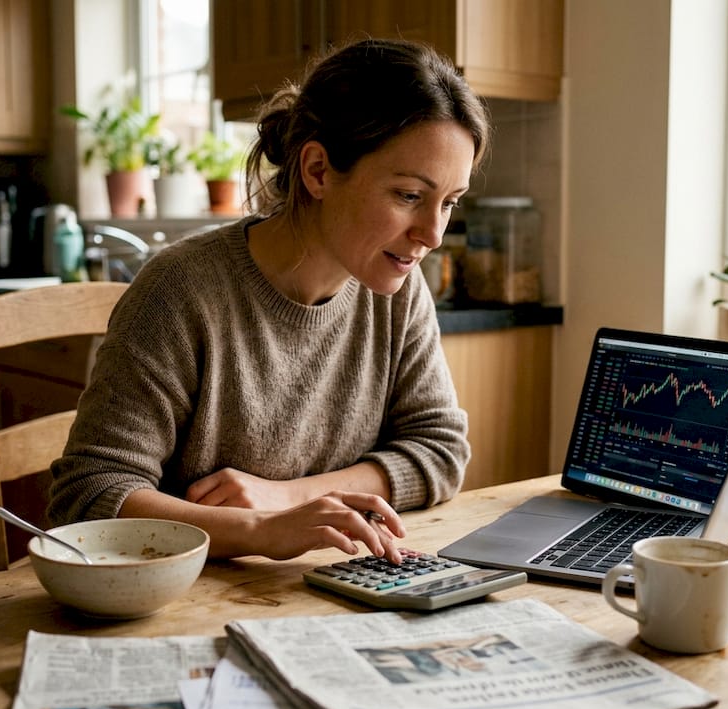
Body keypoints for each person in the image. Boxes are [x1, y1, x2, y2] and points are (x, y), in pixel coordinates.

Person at [47, 37, 492, 565]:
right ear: (318, 171)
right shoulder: (180, 290)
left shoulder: (396, 287)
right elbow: (90, 493)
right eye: (409, 196)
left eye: (450, 203)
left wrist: (292, 498)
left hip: (325, 587)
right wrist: (257, 528)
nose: (433, 235)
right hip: (182, 601)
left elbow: (439, 449)